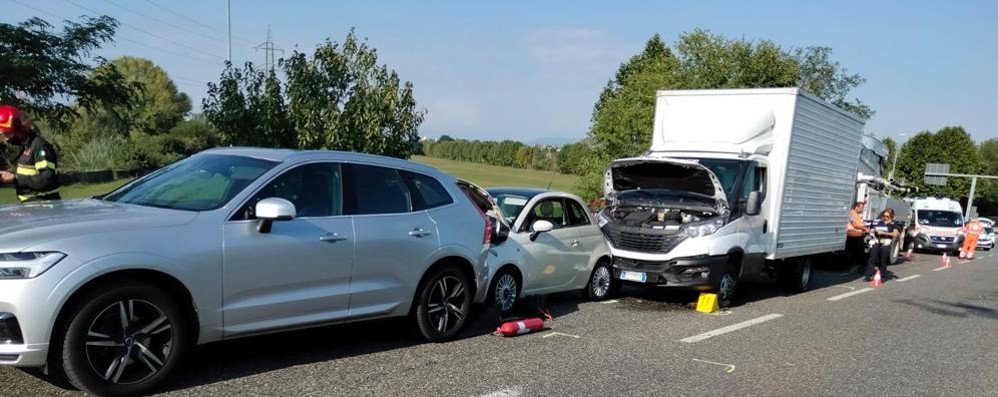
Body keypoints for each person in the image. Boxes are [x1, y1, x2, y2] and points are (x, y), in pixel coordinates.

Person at [0, 105, 61, 202]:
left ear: (17, 128)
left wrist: (15, 179)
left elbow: (47, 177)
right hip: (31, 206)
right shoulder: (25, 146)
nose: (5, 137)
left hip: (45, 207)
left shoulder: (39, 146)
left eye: (6, 133)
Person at [865, 208, 898, 281]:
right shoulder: (879, 222)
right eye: (884, 216)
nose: (885, 218)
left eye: (887, 216)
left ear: (891, 216)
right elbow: (872, 228)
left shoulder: (894, 223)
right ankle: (869, 275)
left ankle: (882, 274)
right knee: (872, 256)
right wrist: (872, 230)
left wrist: (884, 233)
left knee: (883, 258)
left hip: (886, 241)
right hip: (877, 240)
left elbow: (895, 234)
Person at [845, 201, 869, 271]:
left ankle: (857, 265)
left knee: (858, 251)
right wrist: (864, 228)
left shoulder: (856, 214)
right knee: (856, 252)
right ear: (856, 207)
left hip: (857, 235)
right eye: (861, 208)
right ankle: (855, 266)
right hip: (854, 236)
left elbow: (858, 223)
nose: (862, 210)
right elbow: (854, 225)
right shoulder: (852, 213)